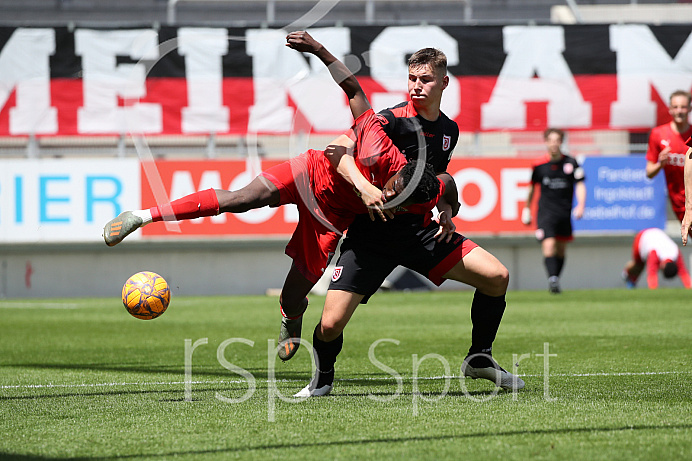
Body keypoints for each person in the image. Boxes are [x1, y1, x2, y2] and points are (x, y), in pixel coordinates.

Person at [102, 47, 445, 362]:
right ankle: (142, 215)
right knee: (242, 199)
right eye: (391, 193)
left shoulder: (414, 194)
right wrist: (317, 49)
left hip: (330, 218)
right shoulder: (379, 143)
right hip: (308, 172)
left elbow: (448, 186)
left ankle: (290, 315)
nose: (389, 201)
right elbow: (353, 92)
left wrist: (448, 212)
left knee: (294, 293)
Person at [285, 31, 524, 397]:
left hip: (420, 232)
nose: (416, 86)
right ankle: (323, 379)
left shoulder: (449, 130)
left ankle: (479, 358)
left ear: (444, 82)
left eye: (425, 79)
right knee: (330, 325)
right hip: (371, 235)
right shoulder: (388, 120)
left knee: (497, 277)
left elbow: (438, 177)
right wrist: (365, 189)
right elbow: (338, 150)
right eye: (412, 78)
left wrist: (446, 208)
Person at [521, 128, 586, 294]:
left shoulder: (571, 163)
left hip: (564, 212)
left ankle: (555, 278)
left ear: (561, 142)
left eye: (557, 140)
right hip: (546, 213)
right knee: (549, 245)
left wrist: (581, 205)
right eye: (551, 140)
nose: (554, 143)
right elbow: (531, 188)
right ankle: (553, 279)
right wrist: (527, 208)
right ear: (546, 142)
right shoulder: (539, 166)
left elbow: (580, 185)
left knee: (561, 249)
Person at [646, 90, 692, 222]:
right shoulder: (658, 134)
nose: (679, 111)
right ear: (670, 109)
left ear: (689, 108)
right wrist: (660, 164)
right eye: (675, 107)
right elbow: (649, 172)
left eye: (683, 107)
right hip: (678, 203)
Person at [623, 227, 691, 289]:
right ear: (663, 266)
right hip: (642, 237)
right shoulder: (655, 253)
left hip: (656, 234)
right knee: (639, 265)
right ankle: (626, 273)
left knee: (641, 266)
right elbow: (652, 274)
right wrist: (654, 289)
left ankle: (632, 282)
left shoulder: (676, 252)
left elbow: (683, 272)